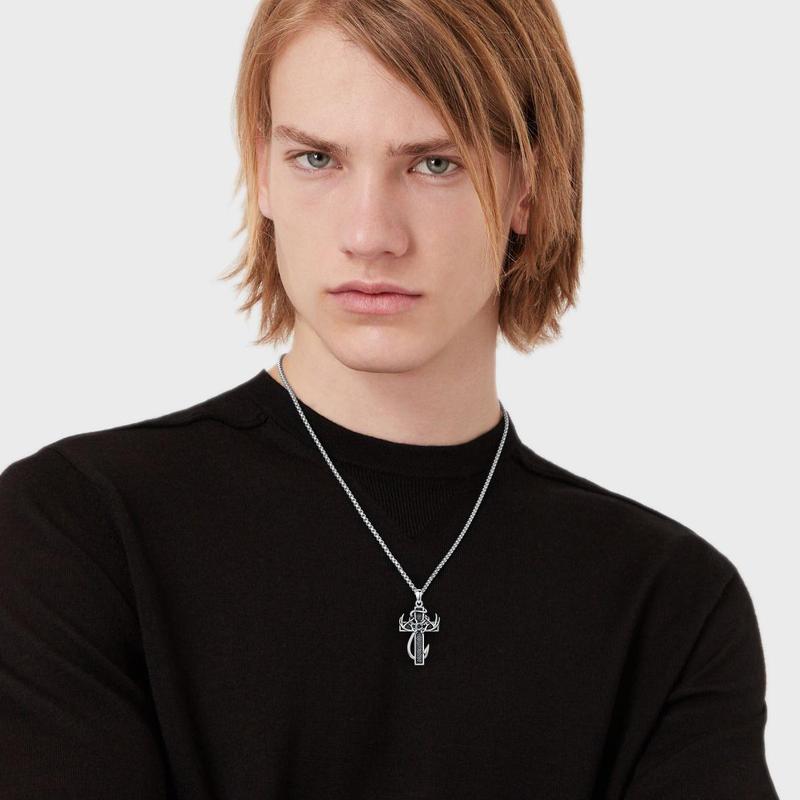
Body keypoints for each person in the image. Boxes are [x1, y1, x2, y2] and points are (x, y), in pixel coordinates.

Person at [0, 1, 780, 798]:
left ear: (529, 187)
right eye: (317, 159)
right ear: (262, 170)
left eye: (434, 163)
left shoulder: (668, 606)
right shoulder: (81, 531)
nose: (370, 234)